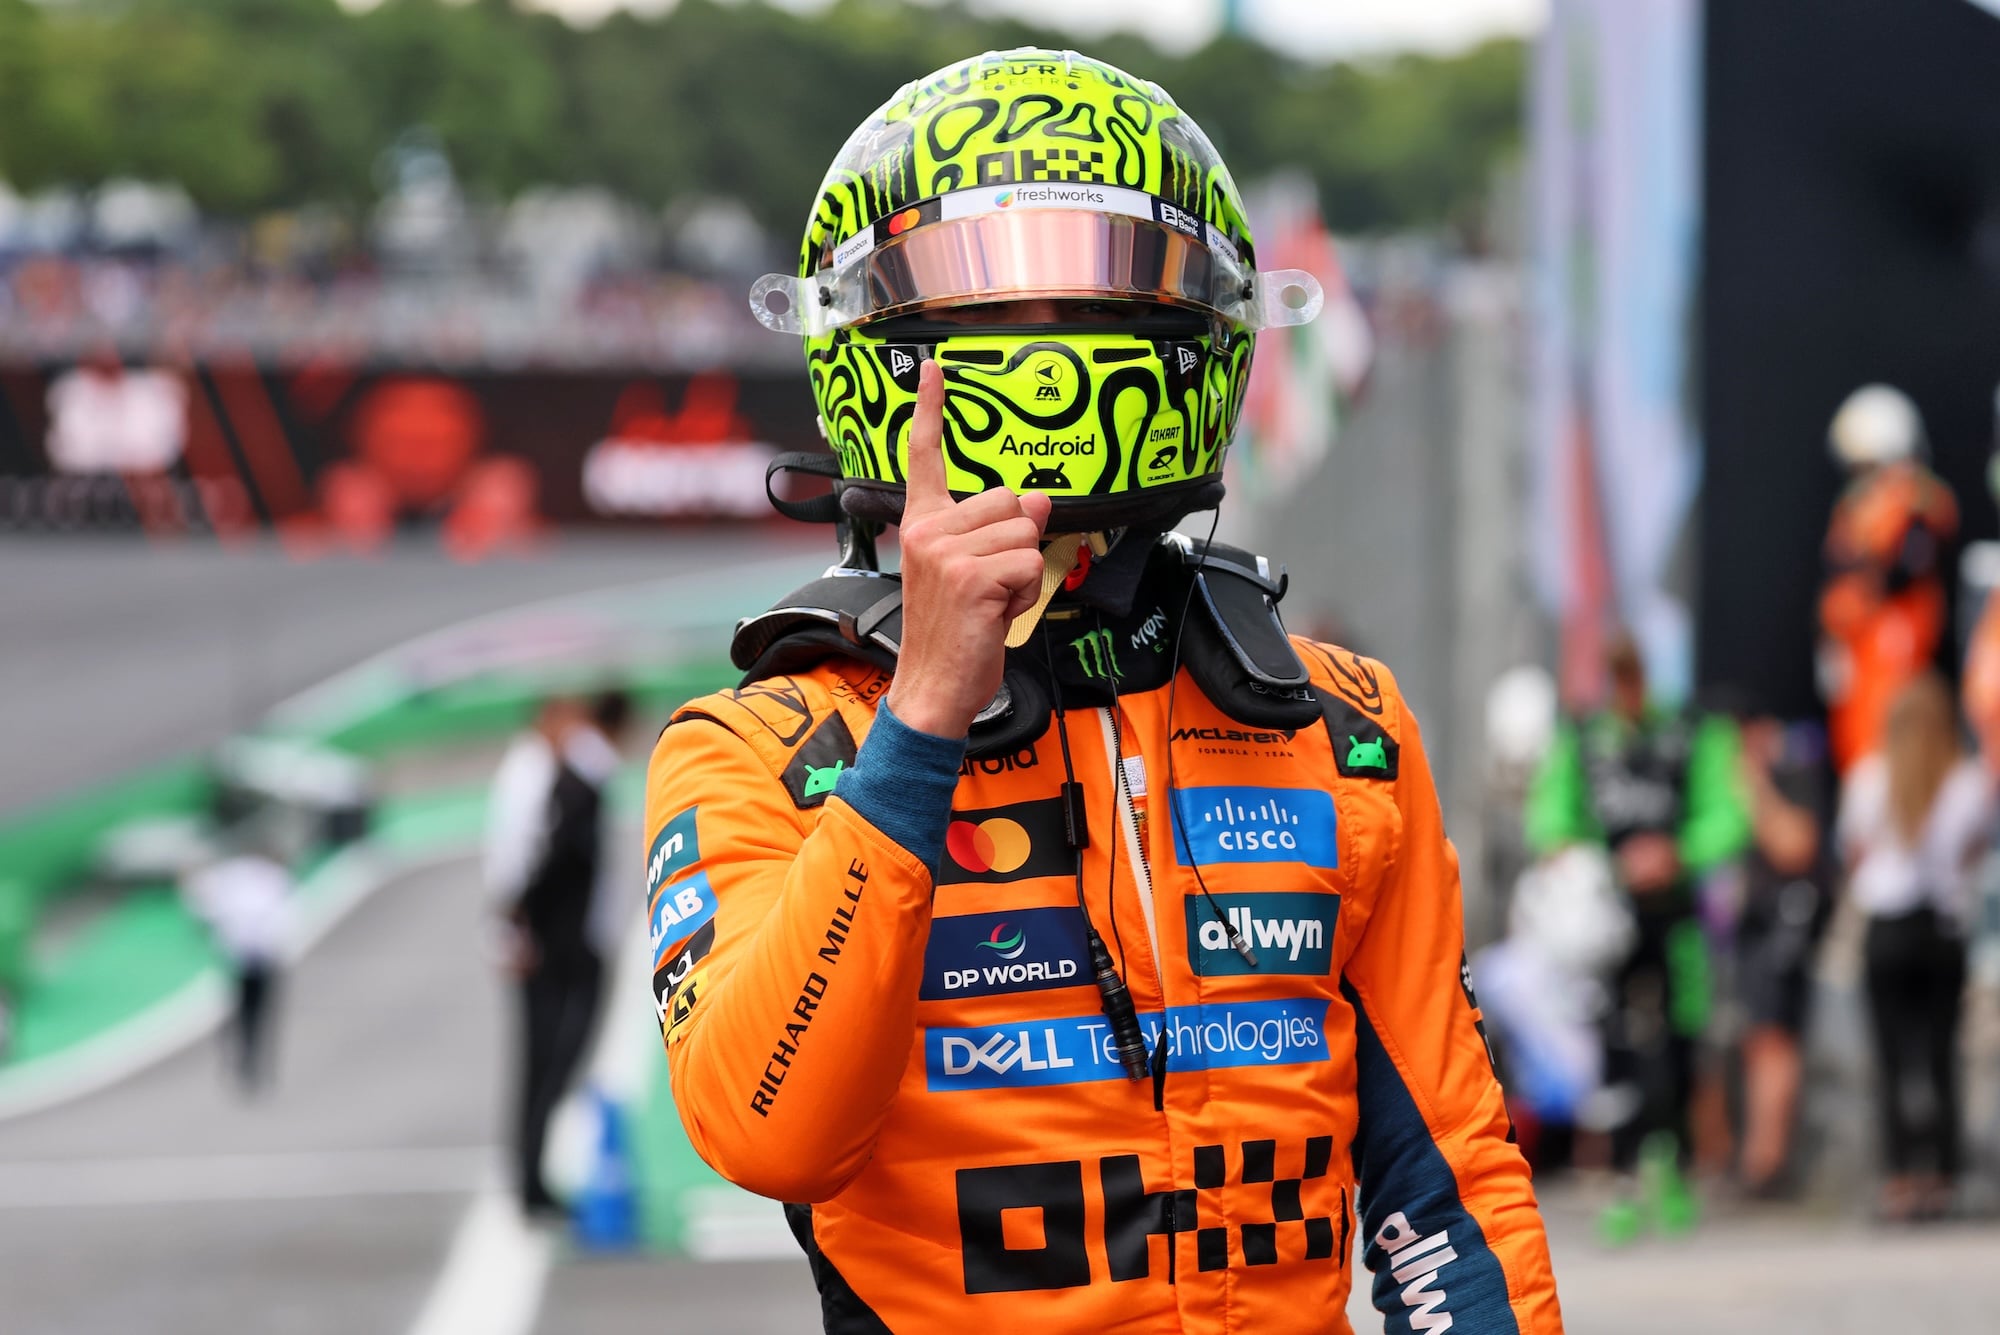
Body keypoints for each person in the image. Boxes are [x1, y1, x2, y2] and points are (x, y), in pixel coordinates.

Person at [643, 50, 1561, 1332]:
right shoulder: (763, 750)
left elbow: (1447, 1192)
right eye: (990, 312)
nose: (1046, 351)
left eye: (1095, 302)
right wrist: (916, 728)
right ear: (878, 350)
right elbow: (766, 1132)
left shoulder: (1335, 728)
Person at [1525, 632, 1748, 1242]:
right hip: (1606, 924)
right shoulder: (1583, 736)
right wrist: (1579, 854)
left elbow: (1730, 811)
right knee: (1614, 1044)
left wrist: (1679, 851)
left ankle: (1670, 1167)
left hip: (1676, 917)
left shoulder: (1695, 730)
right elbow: (1549, 814)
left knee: (1681, 1038)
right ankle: (1623, 1176)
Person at [1836, 672, 1991, 1222]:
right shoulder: (1967, 781)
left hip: (1887, 928)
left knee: (1891, 1056)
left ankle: (1900, 1175)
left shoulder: (1868, 779)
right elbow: (1976, 851)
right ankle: (1942, 1174)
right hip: (1941, 930)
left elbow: (1855, 853)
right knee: (1940, 1054)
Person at [487, 691, 630, 1216]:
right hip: (554, 945)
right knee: (548, 1061)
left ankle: (530, 1176)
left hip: (555, 940)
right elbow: (514, 862)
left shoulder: (552, 772)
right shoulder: (533, 777)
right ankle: (529, 1179)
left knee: (544, 1064)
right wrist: (508, 932)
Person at [1818, 385, 1957, 774]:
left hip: (1896, 671)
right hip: (1858, 684)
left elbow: (1902, 571)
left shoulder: (1917, 508)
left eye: (1866, 469)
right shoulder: (1852, 515)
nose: (1860, 484)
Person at [1732, 714, 1835, 1195]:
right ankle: (1757, 1159)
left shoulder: (1790, 776)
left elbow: (1795, 846)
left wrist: (1754, 783)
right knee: (1758, 1043)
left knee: (1775, 1043)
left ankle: (1768, 1165)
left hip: (1784, 930)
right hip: (1753, 933)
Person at [182, 831, 294, 1094]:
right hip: (253, 956)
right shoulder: (267, 878)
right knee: (254, 1014)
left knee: (248, 1013)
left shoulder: (239, 876)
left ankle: (249, 1064)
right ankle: (249, 1064)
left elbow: (202, 901)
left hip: (247, 956)